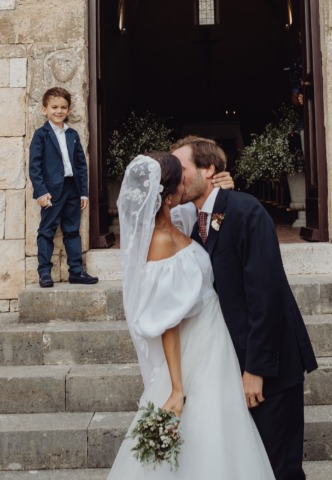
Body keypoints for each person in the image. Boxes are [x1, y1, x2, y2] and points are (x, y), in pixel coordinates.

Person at [108, 153, 274, 480]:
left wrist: (224, 185)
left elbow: (210, 209)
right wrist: (176, 387)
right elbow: (168, 321)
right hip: (197, 346)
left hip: (216, 338)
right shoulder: (160, 241)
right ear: (168, 196)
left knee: (221, 426)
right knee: (206, 429)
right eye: (182, 178)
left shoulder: (179, 220)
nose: (188, 181)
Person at [170, 137, 316, 480]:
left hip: (270, 366)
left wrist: (256, 369)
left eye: (182, 170)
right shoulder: (196, 222)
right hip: (232, 362)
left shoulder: (245, 210)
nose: (176, 178)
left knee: (279, 466)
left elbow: (266, 295)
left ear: (209, 171)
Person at [27, 87, 97, 287]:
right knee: (47, 230)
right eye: (54, 107)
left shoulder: (72, 134)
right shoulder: (41, 135)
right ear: (45, 110)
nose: (59, 111)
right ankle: (44, 273)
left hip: (72, 189)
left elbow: (81, 165)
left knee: (72, 230)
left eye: (63, 107)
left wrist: (83, 192)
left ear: (68, 110)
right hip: (51, 191)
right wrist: (41, 191)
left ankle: (76, 271)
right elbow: (34, 167)